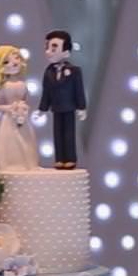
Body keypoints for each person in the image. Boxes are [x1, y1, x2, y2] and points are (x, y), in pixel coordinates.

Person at [37, 29, 86, 170]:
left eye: (54, 48)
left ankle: (70, 158)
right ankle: (59, 158)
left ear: (66, 52)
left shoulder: (75, 71)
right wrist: (42, 109)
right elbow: (46, 92)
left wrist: (81, 107)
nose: (48, 51)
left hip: (69, 107)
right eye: (47, 47)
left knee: (69, 134)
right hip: (56, 108)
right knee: (57, 134)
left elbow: (79, 90)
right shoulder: (48, 72)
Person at [0, 43, 42, 171]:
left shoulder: (23, 84)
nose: (13, 63)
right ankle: (10, 165)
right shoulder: (4, 86)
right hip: (9, 120)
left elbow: (25, 100)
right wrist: (8, 108)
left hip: (22, 118)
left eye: (16, 58)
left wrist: (23, 108)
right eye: (7, 61)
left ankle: (28, 164)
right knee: (10, 143)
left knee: (26, 141)